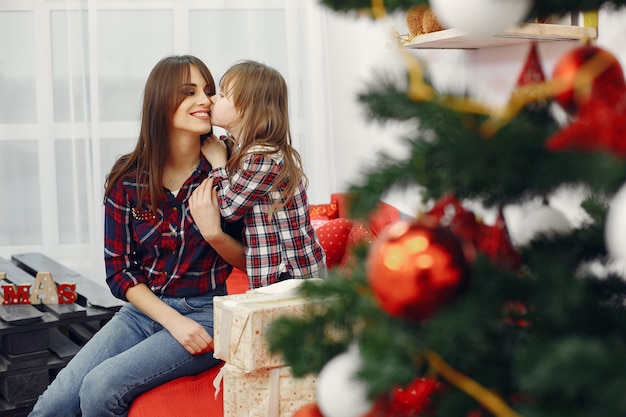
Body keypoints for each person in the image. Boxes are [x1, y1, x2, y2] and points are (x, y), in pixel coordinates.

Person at [28, 55, 245, 417]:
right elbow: (119, 270)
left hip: (209, 312)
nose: (206, 100)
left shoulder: (230, 169)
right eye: (190, 92)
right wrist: (172, 320)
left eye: (208, 91)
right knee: (52, 405)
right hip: (142, 312)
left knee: (101, 388)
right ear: (162, 102)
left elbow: (252, 259)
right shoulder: (128, 177)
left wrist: (214, 232)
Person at [200, 60, 326, 289]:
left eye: (223, 95)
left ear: (248, 110)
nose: (212, 100)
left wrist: (218, 163)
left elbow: (229, 208)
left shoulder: (263, 157)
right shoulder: (245, 150)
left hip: (289, 277)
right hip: (279, 275)